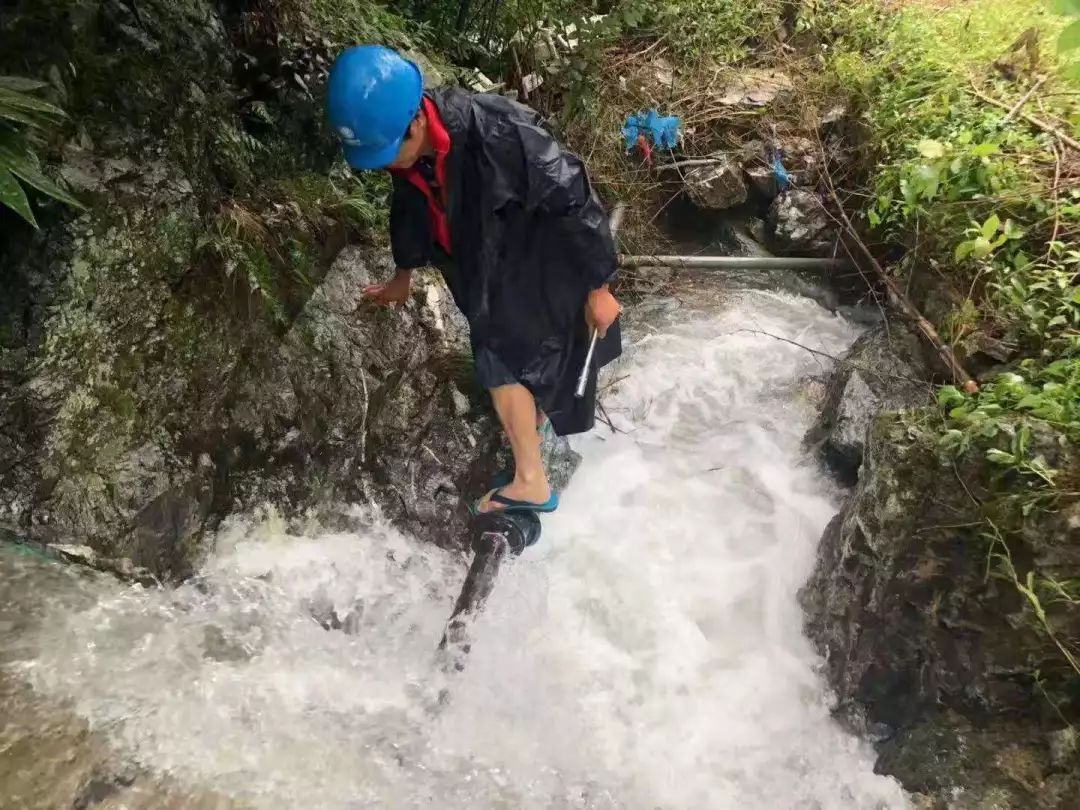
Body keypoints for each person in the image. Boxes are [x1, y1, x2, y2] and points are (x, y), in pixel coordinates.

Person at [326, 44, 621, 515]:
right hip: (476, 262)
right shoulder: (409, 153)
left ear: (417, 121)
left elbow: (572, 195)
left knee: (500, 356)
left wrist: (600, 284)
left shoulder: (501, 132)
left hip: (532, 256)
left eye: (388, 152)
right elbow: (409, 208)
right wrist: (403, 274)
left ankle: (532, 482)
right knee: (500, 349)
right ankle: (530, 427)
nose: (386, 165)